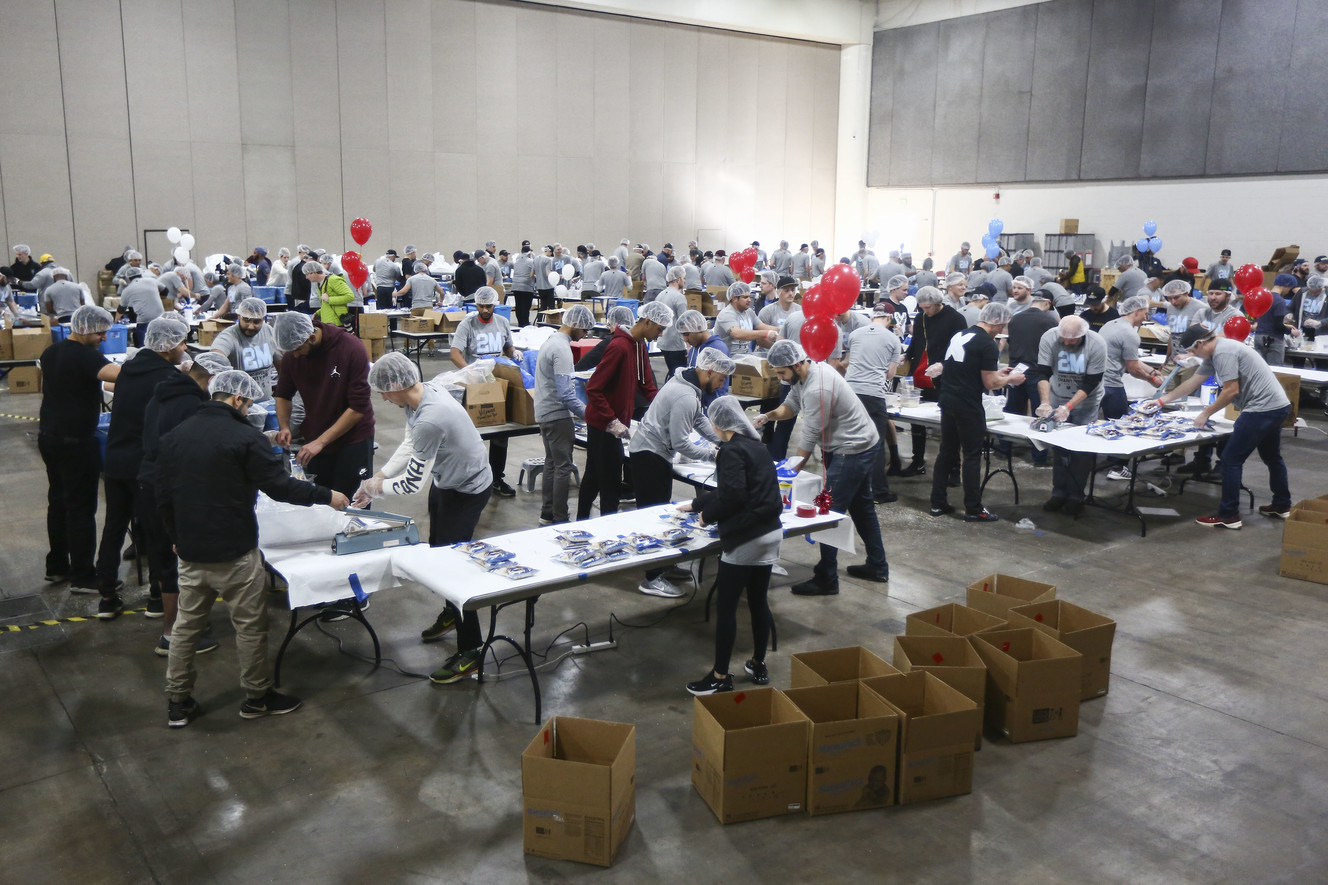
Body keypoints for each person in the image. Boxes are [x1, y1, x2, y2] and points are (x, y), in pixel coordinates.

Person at [157, 370, 348, 728]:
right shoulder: (245, 438)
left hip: (191, 550)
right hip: (235, 552)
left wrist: (176, 536)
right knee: (249, 627)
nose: (248, 412)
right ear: (237, 399)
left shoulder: (175, 436)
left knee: (185, 628)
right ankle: (257, 698)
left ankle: (178, 702)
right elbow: (280, 487)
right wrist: (327, 496)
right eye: (247, 405)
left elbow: (163, 495)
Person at [351, 353, 494, 682]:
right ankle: (452, 612)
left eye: (383, 392)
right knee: (439, 551)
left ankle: (471, 651)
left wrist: (376, 488)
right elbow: (410, 443)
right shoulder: (419, 395)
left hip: (468, 489)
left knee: (455, 568)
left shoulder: (432, 417)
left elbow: (412, 484)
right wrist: (379, 476)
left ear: (397, 385)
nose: (383, 399)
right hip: (447, 481)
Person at [755, 341, 889, 595]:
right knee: (862, 507)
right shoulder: (804, 376)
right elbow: (790, 406)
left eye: (782, 372)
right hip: (854, 443)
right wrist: (768, 416)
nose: (781, 378)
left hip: (852, 447)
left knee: (827, 510)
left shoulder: (818, 387)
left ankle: (826, 578)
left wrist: (789, 474)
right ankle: (877, 565)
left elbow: (810, 435)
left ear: (797, 364)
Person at [680, 397, 782, 696]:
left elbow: (733, 496)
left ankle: (720, 676)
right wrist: (695, 504)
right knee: (758, 600)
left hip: (747, 537)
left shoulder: (730, 451)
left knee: (726, 607)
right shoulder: (756, 446)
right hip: (771, 533)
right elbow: (734, 490)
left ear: (717, 423)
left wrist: (706, 516)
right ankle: (758, 664)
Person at [94, 315, 192, 615]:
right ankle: (156, 597)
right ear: (169, 346)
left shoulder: (128, 369)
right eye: (182, 342)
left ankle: (106, 597)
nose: (185, 347)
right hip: (146, 467)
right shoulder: (169, 378)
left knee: (114, 527)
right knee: (156, 532)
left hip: (116, 461)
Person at [136, 352, 231, 653]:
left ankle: (174, 624)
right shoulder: (192, 405)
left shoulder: (162, 394)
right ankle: (174, 635)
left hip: (149, 481)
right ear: (212, 380)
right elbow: (196, 453)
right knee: (179, 562)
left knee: (164, 558)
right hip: (172, 489)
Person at [1154, 324, 1292, 529]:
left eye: (1193, 350)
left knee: (1230, 459)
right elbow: (1193, 382)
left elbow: (1231, 391)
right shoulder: (1216, 352)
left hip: (1261, 408)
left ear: (1200, 343)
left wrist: (1205, 414)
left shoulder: (1224, 352)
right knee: (1272, 456)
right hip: (1278, 406)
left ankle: (1229, 515)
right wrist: (1161, 401)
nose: (1193, 355)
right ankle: (1281, 504)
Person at [628, 348, 732, 598]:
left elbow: (699, 419)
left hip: (653, 453)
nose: (721, 385)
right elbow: (681, 443)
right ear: (709, 371)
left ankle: (664, 564)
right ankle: (652, 578)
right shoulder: (685, 395)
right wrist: (713, 455)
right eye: (721, 379)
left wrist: (725, 440)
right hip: (649, 456)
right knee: (653, 516)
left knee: (659, 510)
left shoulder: (686, 383)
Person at [38, 306, 122, 593]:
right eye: (101, 333)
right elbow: (118, 375)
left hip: (50, 436)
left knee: (58, 501)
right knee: (81, 507)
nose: (104, 338)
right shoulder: (86, 355)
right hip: (75, 441)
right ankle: (84, 576)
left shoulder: (52, 352)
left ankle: (57, 566)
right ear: (85, 329)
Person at [927, 303, 1024, 522]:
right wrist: (1011, 379)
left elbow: (967, 368)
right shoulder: (987, 344)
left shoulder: (961, 335)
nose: (1002, 330)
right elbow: (990, 384)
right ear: (996, 321)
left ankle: (937, 502)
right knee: (971, 455)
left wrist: (997, 372)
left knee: (946, 452)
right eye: (1002, 325)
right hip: (967, 405)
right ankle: (973, 508)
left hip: (948, 399)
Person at [578, 301, 673, 519]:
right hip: (603, 425)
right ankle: (607, 528)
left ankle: (581, 519)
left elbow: (647, 385)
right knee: (609, 482)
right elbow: (594, 388)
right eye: (659, 329)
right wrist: (611, 420)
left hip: (618, 422)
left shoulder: (639, 346)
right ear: (647, 321)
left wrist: (667, 407)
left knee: (594, 475)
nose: (660, 335)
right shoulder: (619, 347)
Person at [272, 312, 375, 497]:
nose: (294, 355)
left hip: (352, 439)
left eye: (298, 349)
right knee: (321, 500)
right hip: (315, 437)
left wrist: (320, 442)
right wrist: (284, 426)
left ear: (312, 338)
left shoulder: (351, 348)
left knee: (351, 500)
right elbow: (283, 394)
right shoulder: (292, 355)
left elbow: (358, 407)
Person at [1033, 316, 1107, 516]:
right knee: (1059, 450)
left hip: (1086, 402)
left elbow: (1091, 382)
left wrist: (1069, 407)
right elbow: (1043, 373)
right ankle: (1058, 493)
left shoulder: (1097, 344)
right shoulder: (1049, 338)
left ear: (1082, 335)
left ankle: (1075, 496)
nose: (1066, 342)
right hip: (1057, 395)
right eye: (1063, 338)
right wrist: (1046, 402)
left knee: (1081, 452)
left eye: (1071, 340)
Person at [449, 286, 518, 498]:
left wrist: (515, 353)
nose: (485, 310)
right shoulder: (467, 324)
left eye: (489, 306)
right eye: (481, 306)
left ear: (495, 304)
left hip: (498, 381)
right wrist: (470, 371)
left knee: (501, 432)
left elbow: (508, 347)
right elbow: (455, 353)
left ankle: (496, 478)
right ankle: (471, 479)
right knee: (472, 433)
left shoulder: (502, 322)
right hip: (475, 384)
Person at [534, 305, 595, 526]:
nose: (585, 335)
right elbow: (566, 393)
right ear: (575, 323)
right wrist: (590, 415)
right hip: (557, 415)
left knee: (552, 463)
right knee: (563, 467)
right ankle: (560, 518)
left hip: (544, 411)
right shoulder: (561, 349)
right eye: (585, 330)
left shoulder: (551, 341)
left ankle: (547, 513)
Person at [900, 286, 967, 476]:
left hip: (944, 377)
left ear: (938, 303)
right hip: (919, 375)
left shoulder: (956, 319)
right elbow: (917, 341)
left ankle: (954, 468)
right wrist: (906, 355)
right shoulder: (921, 317)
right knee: (915, 421)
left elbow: (961, 350)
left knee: (948, 424)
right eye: (922, 308)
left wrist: (944, 365)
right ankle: (917, 461)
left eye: (928, 308)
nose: (925, 311)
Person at [846, 303, 903, 499]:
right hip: (873, 394)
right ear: (889, 318)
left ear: (872, 317)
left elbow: (852, 360)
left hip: (850, 392)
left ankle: (850, 484)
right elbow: (890, 374)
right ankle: (879, 491)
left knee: (852, 439)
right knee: (875, 442)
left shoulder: (855, 334)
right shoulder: (893, 339)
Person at [210, 297, 279, 399]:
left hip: (266, 402)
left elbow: (281, 366)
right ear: (239, 316)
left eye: (256, 322)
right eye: (246, 320)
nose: (251, 326)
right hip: (239, 403)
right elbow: (215, 358)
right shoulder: (228, 336)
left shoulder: (269, 332)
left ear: (263, 319)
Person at [715, 281, 779, 356]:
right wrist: (766, 334)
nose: (749, 300)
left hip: (745, 356)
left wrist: (783, 329)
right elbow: (737, 334)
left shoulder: (749, 312)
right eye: (745, 297)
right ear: (734, 298)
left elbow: (763, 326)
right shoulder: (727, 314)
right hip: (727, 358)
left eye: (749, 296)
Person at [1253, 274, 1296, 366]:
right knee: (1275, 370)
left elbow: (1265, 319)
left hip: (1258, 336)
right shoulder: (1280, 301)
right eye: (1289, 288)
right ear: (1286, 285)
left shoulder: (1262, 298)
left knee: (1259, 368)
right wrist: (1290, 331)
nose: (1288, 291)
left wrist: (1285, 326)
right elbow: (1278, 325)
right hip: (1272, 339)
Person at [656, 266, 692, 375]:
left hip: (663, 342)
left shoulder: (660, 295)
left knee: (672, 371)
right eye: (684, 278)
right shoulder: (679, 297)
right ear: (678, 279)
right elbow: (683, 322)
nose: (685, 281)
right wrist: (688, 344)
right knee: (679, 374)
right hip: (676, 343)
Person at [1162, 279, 1206, 362]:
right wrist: (1167, 359)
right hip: (1175, 359)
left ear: (1186, 293)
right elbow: (1172, 335)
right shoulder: (1170, 308)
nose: (1173, 302)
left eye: (1176, 297)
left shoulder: (1201, 308)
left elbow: (1208, 338)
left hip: (1193, 360)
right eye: (1170, 299)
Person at [302, 259, 354, 328]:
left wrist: (329, 299)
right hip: (328, 322)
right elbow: (326, 304)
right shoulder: (320, 284)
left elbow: (350, 296)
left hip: (337, 323)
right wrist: (318, 313)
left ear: (313, 272)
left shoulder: (333, 280)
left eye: (307, 274)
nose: (306, 277)